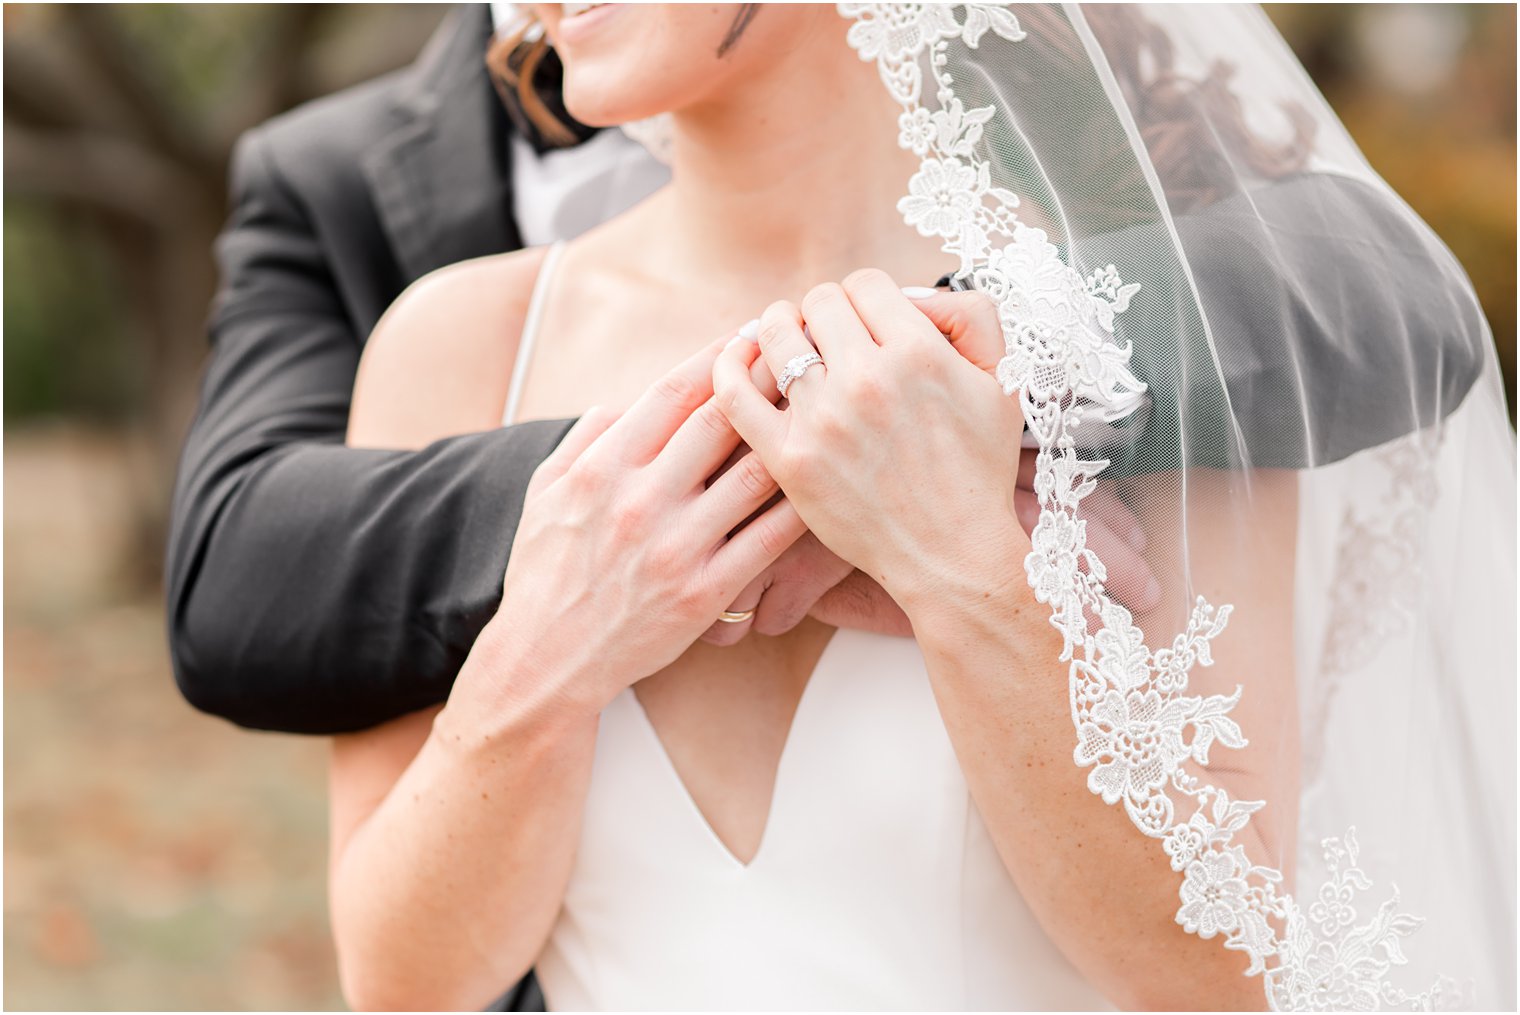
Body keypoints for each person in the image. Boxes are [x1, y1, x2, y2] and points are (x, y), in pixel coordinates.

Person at [324, 3, 1515, 1011]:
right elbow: (397, 980)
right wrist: (549, 653)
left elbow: (1231, 978)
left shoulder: (1140, 346)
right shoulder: (456, 344)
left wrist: (960, 571)